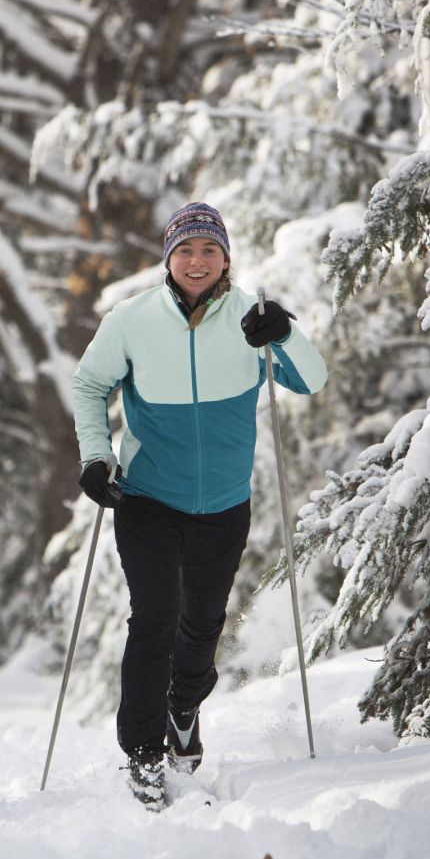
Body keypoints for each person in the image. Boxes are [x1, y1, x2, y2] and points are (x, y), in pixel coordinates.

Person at [71, 202, 326, 809]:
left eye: (208, 250)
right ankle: (143, 755)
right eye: (185, 250)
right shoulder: (132, 319)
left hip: (223, 503)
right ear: (168, 258)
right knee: (153, 619)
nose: (196, 261)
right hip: (149, 498)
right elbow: (89, 384)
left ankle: (184, 707)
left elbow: (311, 381)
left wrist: (285, 333)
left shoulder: (250, 318)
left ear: (226, 259)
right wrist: (94, 456)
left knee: (201, 627)